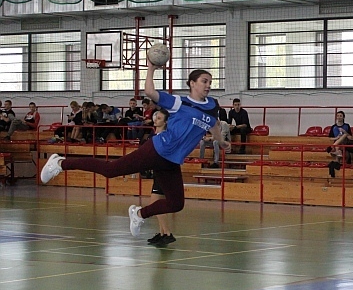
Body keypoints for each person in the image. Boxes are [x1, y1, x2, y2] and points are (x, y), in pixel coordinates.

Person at [40, 61, 229, 238]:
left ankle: (138, 214)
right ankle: (60, 163)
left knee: (176, 203)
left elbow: (213, 125)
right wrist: (151, 68)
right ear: (192, 83)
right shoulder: (179, 102)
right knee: (110, 170)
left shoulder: (212, 106)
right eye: (204, 81)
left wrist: (220, 141)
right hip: (157, 149)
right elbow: (150, 91)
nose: (208, 85)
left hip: (172, 161)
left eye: (210, 82)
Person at [145, 109, 176, 247]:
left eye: (159, 118)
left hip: (163, 173)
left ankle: (168, 234)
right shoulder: (154, 135)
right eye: (155, 117)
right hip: (157, 172)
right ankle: (162, 233)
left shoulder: (164, 137)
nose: (156, 119)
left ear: (165, 122)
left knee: (155, 205)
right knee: (157, 206)